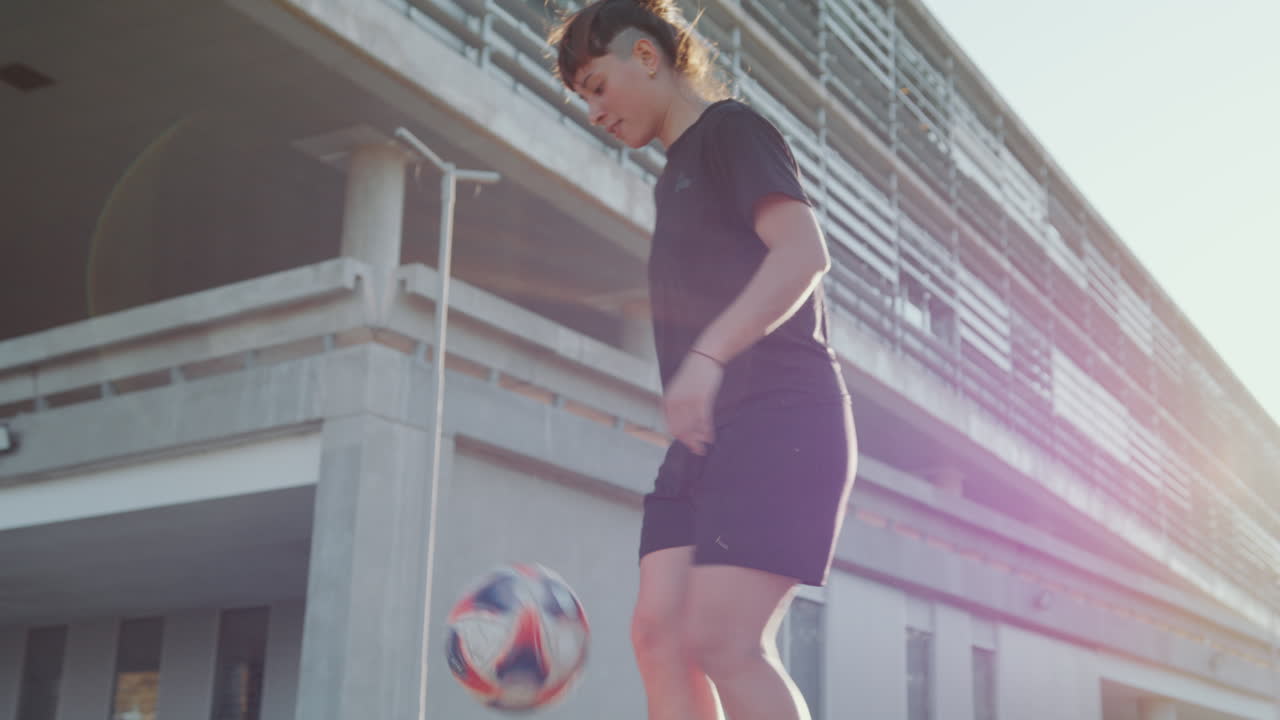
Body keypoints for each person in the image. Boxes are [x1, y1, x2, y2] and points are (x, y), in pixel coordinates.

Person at [550, 2, 857, 719]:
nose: (593, 111)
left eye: (596, 85)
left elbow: (805, 253)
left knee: (723, 640)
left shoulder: (731, 131)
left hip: (783, 417)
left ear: (647, 57)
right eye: (581, 97)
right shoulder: (674, 174)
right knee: (658, 636)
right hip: (705, 442)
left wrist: (708, 355)